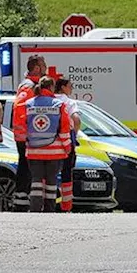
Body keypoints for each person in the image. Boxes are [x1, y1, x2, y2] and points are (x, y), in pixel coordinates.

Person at [23, 76, 73, 212]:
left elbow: (23, 126)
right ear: (51, 87)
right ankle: (49, 211)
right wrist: (68, 147)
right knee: (51, 183)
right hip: (54, 152)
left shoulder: (28, 104)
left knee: (36, 182)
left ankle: (35, 209)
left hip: (34, 152)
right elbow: (64, 129)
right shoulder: (58, 104)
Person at [10, 54, 47, 211]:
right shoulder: (28, 86)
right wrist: (29, 129)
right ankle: (21, 201)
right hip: (25, 135)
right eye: (43, 65)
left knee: (28, 168)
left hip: (27, 134)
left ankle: (24, 199)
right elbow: (20, 109)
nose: (46, 67)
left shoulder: (32, 84)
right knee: (26, 168)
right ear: (37, 68)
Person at [54, 76, 80, 212]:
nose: (71, 88)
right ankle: (66, 206)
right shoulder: (69, 102)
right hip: (66, 142)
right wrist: (73, 134)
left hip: (50, 142)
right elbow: (76, 119)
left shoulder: (50, 100)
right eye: (70, 85)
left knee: (49, 174)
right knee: (66, 173)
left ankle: (47, 203)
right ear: (63, 87)